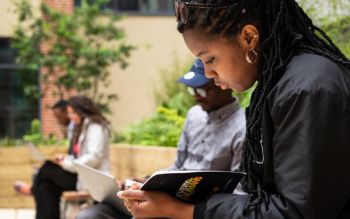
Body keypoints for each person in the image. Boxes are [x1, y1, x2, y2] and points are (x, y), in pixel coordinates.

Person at [118, 0, 350, 218]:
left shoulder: (306, 89)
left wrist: (182, 211)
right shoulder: (279, 83)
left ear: (248, 38)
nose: (208, 74)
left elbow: (295, 212)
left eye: (209, 60)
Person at [76, 59, 246, 219]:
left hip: (193, 208)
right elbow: (178, 165)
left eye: (202, 89)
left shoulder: (242, 126)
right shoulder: (194, 115)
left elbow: (238, 190)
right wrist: (147, 181)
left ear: (224, 85)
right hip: (166, 196)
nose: (196, 95)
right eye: (191, 90)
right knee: (91, 215)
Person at [16, 95, 111, 219]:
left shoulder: (95, 128)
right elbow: (78, 156)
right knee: (46, 187)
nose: (70, 116)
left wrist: (68, 164)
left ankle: (32, 190)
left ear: (81, 111)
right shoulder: (80, 128)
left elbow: (94, 157)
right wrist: (65, 159)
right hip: (79, 175)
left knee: (47, 168)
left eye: (72, 113)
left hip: (89, 179)